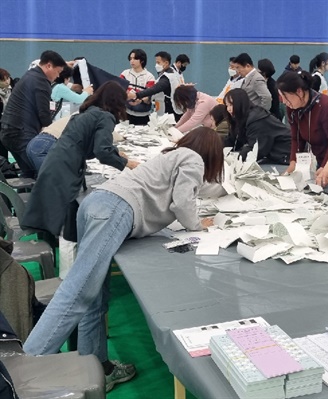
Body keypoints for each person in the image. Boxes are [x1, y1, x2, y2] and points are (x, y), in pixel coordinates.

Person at [23, 127, 223, 392]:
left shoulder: (170, 155)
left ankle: (97, 369)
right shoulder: (194, 159)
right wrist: (198, 224)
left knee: (94, 300)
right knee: (77, 293)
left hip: (95, 205)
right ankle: (23, 371)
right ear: (212, 154)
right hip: (115, 210)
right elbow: (182, 202)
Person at [21, 81, 139, 240]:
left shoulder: (87, 112)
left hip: (57, 160)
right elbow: (102, 151)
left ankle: (56, 247)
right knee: (63, 217)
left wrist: (116, 153)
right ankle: (66, 253)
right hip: (66, 166)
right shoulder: (105, 117)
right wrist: (127, 164)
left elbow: (89, 145)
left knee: (49, 211)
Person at [277, 70, 328, 183]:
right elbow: (296, 138)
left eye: (285, 97)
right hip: (322, 157)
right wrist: (293, 162)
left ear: (299, 92)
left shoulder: (326, 106)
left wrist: (326, 166)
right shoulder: (292, 108)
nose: (284, 102)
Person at [0, 50, 66, 178]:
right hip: (19, 134)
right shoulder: (41, 82)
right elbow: (44, 114)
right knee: (42, 171)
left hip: (9, 132)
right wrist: (53, 133)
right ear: (48, 66)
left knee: (29, 172)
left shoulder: (31, 75)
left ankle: (25, 197)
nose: (58, 76)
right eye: (58, 72)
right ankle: (38, 197)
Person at [223, 88, 290, 164]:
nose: (228, 109)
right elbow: (233, 140)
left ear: (240, 103)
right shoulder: (241, 118)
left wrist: (235, 160)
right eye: (227, 105)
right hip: (274, 156)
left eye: (231, 105)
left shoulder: (256, 120)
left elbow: (255, 149)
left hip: (286, 154)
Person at [127, 51, 181, 117]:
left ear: (166, 63)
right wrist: (141, 100)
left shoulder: (168, 77)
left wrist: (137, 95)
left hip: (171, 113)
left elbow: (154, 89)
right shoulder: (170, 73)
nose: (156, 65)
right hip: (166, 111)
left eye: (158, 63)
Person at [120, 49, 156, 125]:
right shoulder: (125, 74)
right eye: (130, 58)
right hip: (126, 114)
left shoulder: (149, 77)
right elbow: (119, 91)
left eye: (135, 58)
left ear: (142, 60)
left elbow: (149, 97)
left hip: (143, 116)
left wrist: (140, 100)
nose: (132, 61)